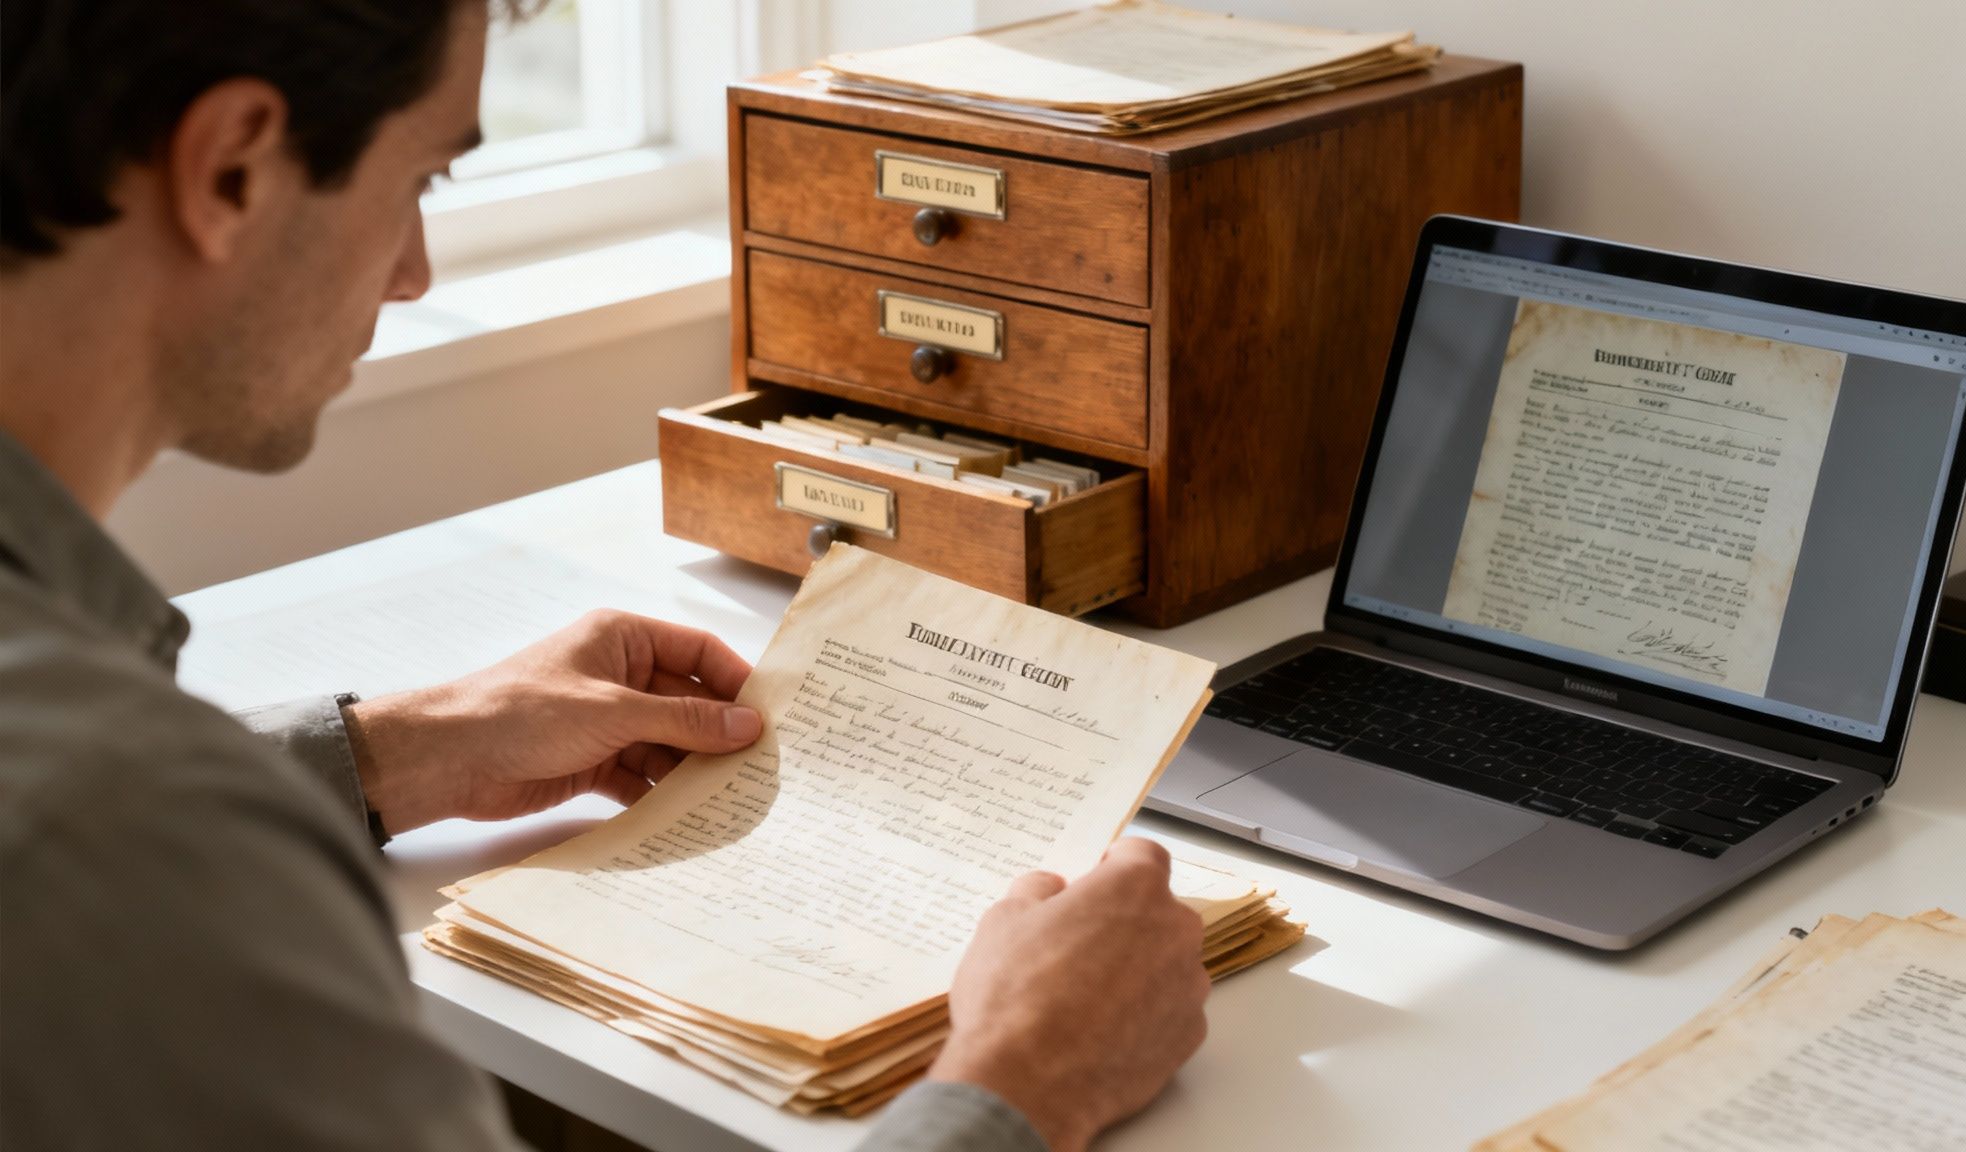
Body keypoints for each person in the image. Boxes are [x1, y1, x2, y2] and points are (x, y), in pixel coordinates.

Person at [0, 2, 1211, 1149]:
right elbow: (103, 835)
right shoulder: (118, 836)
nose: (414, 271)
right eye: (421, 177)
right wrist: (1025, 1074)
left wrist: (389, 750)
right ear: (231, 172)